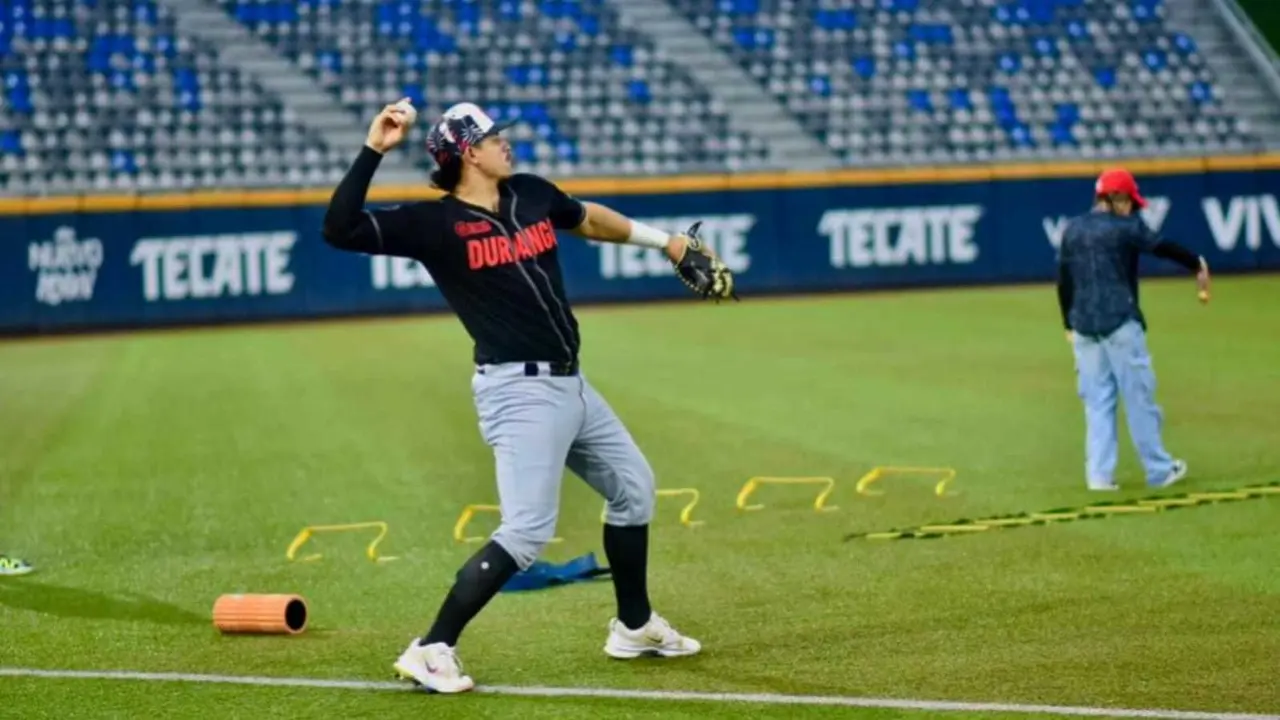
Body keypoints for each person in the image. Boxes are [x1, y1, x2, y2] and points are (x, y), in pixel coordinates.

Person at [321, 100, 735, 694]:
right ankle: (432, 647)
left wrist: (664, 241)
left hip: (571, 381)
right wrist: (375, 149)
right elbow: (338, 230)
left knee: (634, 488)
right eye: (493, 137)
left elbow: (587, 218)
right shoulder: (434, 224)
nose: (505, 144)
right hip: (518, 390)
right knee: (526, 531)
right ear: (468, 153)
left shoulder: (530, 194)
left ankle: (635, 625)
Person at [1056, 168, 1211, 492]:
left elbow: (1064, 280)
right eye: (1130, 201)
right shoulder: (1126, 228)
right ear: (1117, 198)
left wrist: (1068, 323)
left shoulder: (1072, 229)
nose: (1133, 208)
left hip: (1083, 326)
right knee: (1139, 398)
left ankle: (1099, 476)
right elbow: (1162, 246)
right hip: (1120, 323)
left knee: (1097, 403)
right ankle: (1158, 470)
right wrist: (1196, 263)